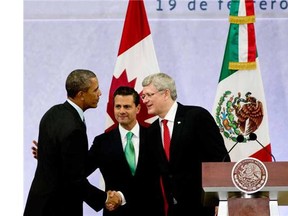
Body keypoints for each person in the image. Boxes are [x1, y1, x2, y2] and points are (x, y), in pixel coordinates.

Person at [31, 86, 165, 216]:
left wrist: (121, 196)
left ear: (138, 108)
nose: (122, 111)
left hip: (151, 210)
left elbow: (157, 176)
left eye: (127, 106)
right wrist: (50, 156)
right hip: (116, 212)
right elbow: (77, 170)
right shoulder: (102, 142)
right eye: (118, 106)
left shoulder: (155, 136)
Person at [24, 69, 121, 216]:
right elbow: (73, 178)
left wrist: (49, 157)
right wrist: (105, 198)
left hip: (39, 205)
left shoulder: (53, 112)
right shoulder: (74, 128)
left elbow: (65, 163)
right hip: (59, 207)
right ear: (81, 94)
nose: (100, 93)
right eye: (95, 90)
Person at [141, 72, 231, 216]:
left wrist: (221, 201)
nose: (144, 101)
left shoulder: (196, 117)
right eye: (143, 96)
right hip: (173, 210)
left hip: (203, 207)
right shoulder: (151, 131)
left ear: (166, 93)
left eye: (149, 95)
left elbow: (220, 160)